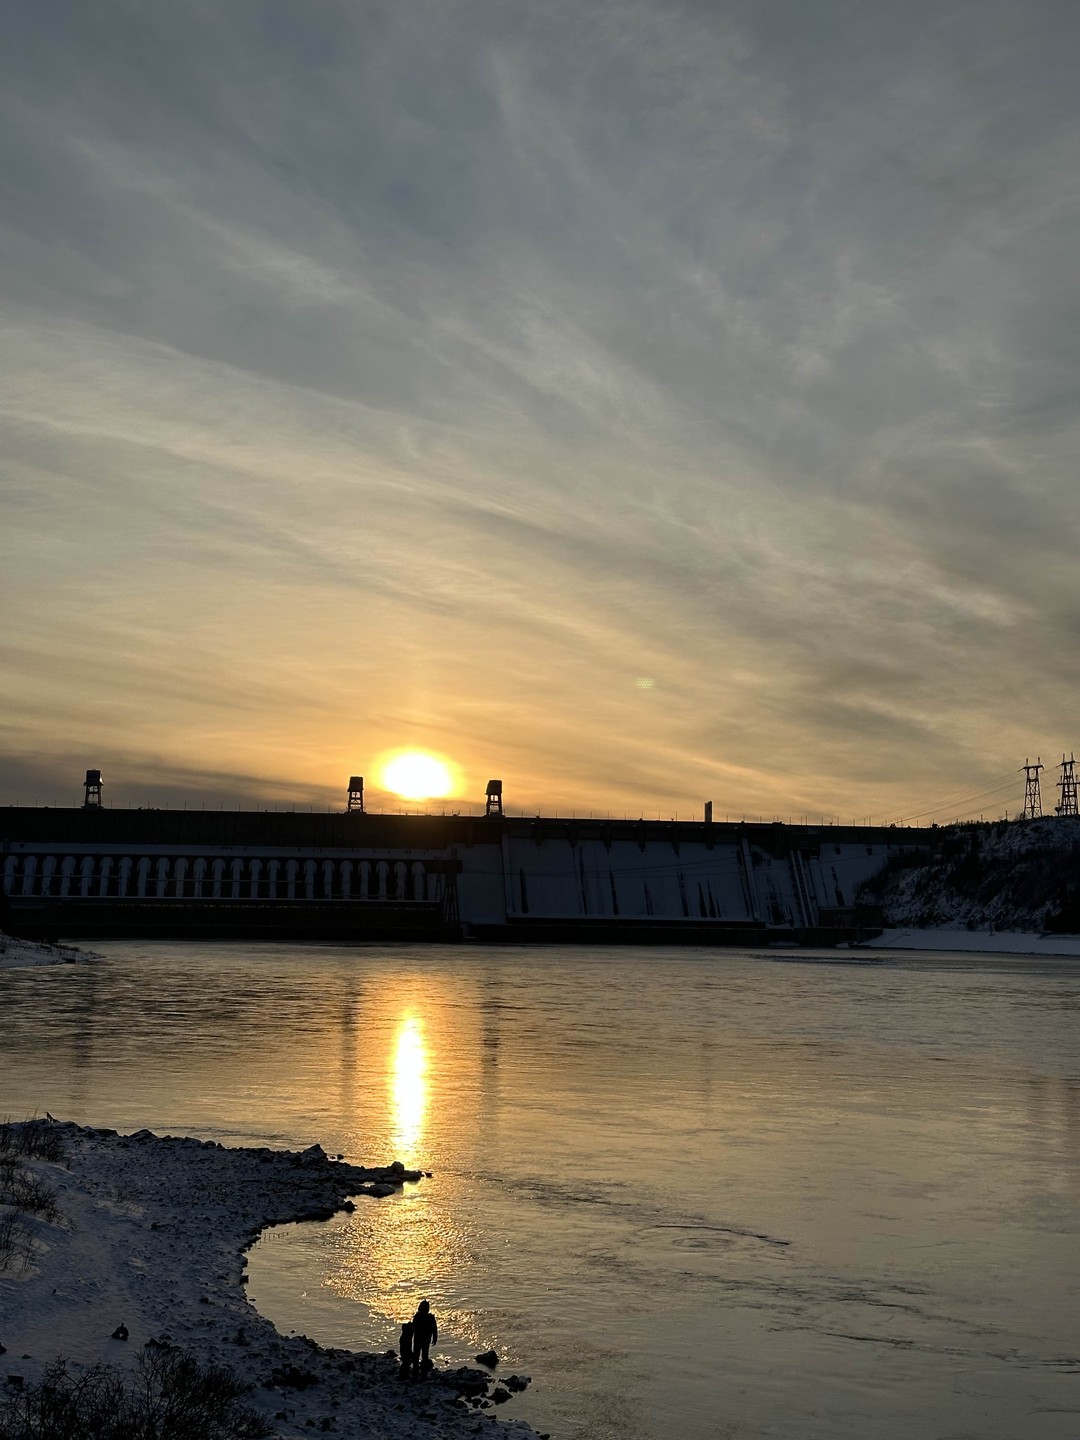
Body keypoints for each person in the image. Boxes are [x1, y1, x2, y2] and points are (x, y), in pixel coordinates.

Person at [411, 1299, 438, 1374]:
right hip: (425, 1339)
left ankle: (416, 1372)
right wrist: (435, 1338)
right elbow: (434, 1329)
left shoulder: (417, 1316)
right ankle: (422, 1372)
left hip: (419, 1338)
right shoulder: (430, 1317)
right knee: (424, 1356)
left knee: (417, 1355)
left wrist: (435, 1338)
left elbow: (413, 1328)